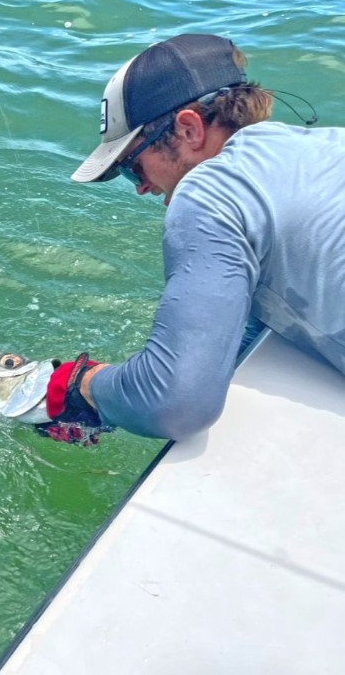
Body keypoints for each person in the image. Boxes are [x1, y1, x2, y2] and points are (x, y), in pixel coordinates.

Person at [36, 33, 345, 445]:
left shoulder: (213, 190)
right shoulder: (328, 145)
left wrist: (83, 386)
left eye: (132, 167)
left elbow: (174, 403)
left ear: (188, 128)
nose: (140, 188)